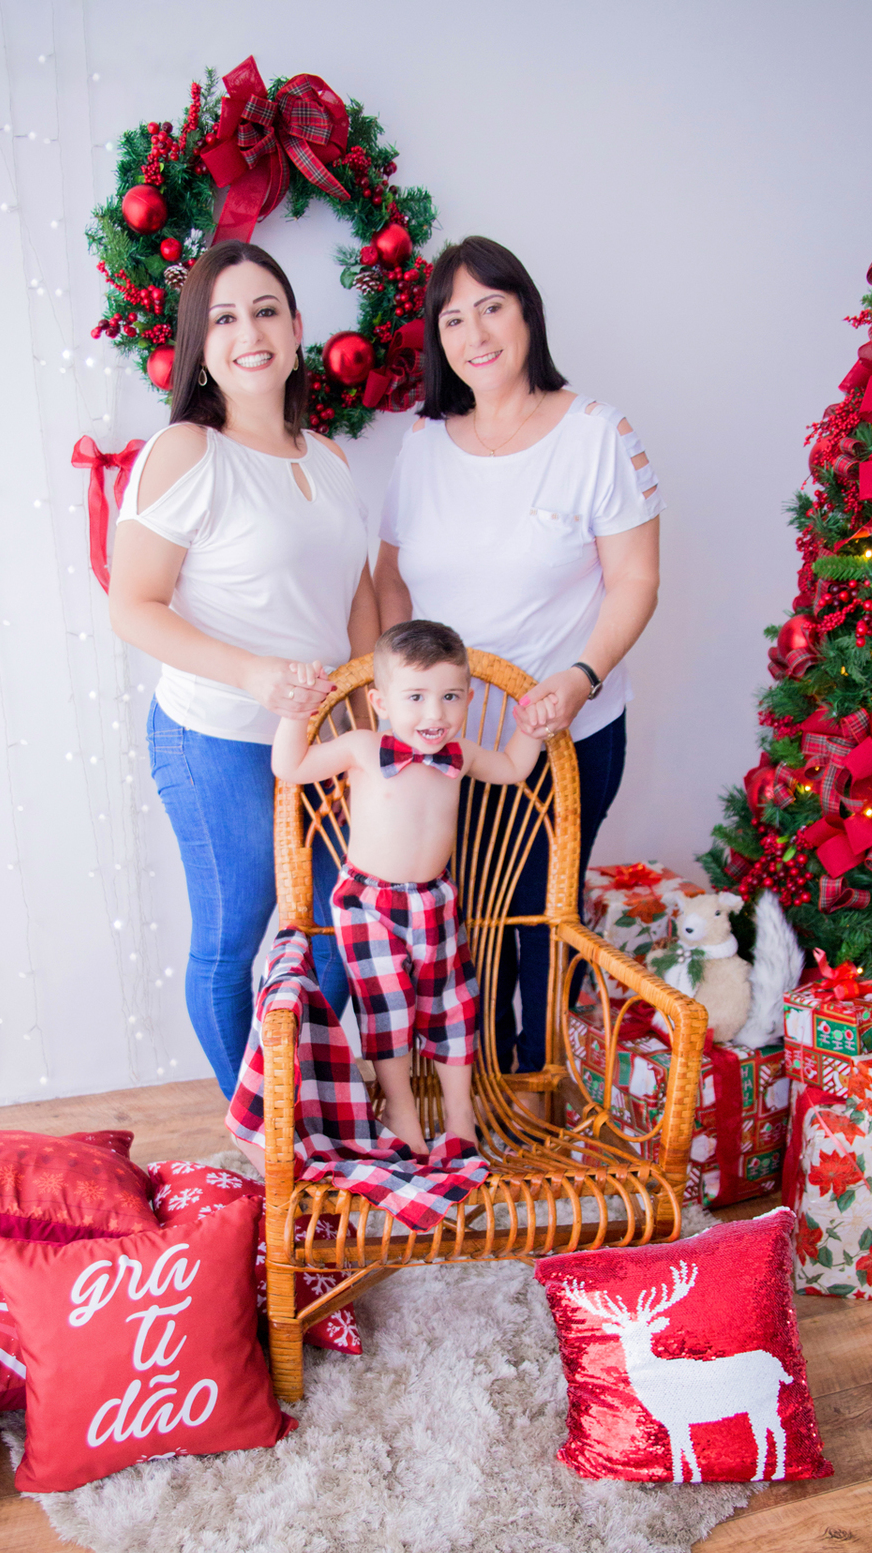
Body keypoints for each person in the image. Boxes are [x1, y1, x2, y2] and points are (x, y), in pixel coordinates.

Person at [374, 235, 661, 1074]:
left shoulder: (597, 433)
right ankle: (474, 1099)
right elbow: (389, 578)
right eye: (453, 318)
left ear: (527, 313)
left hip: (560, 733)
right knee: (459, 925)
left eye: (491, 307)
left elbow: (636, 581)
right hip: (442, 741)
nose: (475, 334)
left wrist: (579, 677)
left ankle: (533, 1095)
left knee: (540, 920)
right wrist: (396, 694)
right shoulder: (425, 444)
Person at [108, 240, 378, 1098]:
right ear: (202, 344)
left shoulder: (329, 458)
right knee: (234, 938)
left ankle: (308, 1105)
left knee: (340, 930)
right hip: (217, 737)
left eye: (265, 310)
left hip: (329, 744)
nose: (249, 332)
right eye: (224, 318)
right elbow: (133, 606)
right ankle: (261, 1138)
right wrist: (255, 674)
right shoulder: (188, 451)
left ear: (297, 329)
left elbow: (358, 599)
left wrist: (368, 713)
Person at [270, 620, 558, 1153]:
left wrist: (532, 727)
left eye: (450, 697)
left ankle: (458, 1113)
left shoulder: (462, 754)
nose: (435, 714)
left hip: (435, 900)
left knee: (453, 1004)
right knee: (387, 1011)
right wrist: (294, 716)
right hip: (368, 903)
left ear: (468, 698)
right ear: (381, 701)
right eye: (417, 697)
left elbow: (516, 767)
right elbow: (290, 766)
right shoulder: (361, 747)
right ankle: (401, 1108)